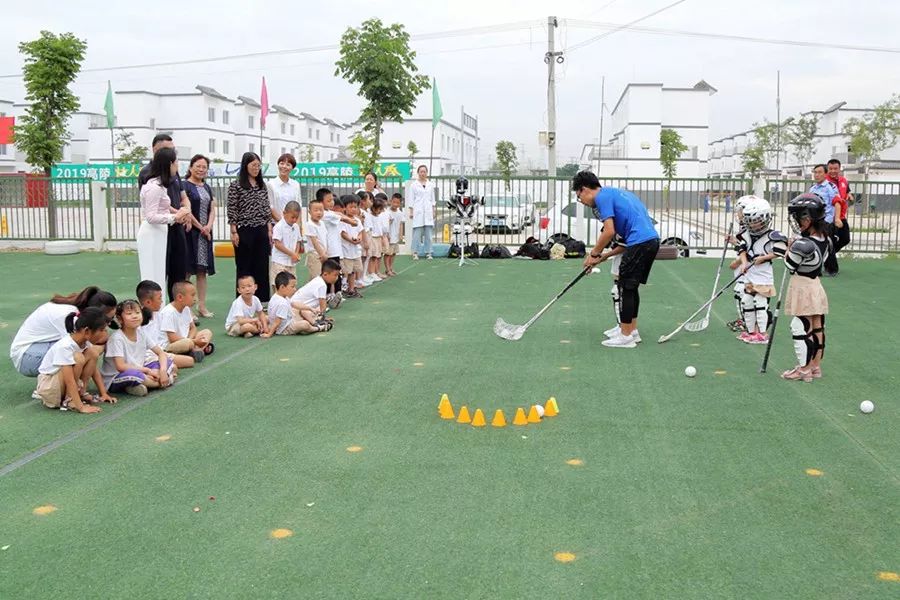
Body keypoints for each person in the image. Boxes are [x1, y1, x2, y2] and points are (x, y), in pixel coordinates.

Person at [572, 171, 660, 349]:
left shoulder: (602, 198)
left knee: (625, 288)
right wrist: (603, 256)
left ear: (584, 189)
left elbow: (609, 231)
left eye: (578, 196)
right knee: (630, 288)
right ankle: (631, 330)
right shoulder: (617, 193)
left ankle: (625, 336)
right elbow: (623, 240)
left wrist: (594, 254)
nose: (581, 201)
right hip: (651, 241)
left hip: (640, 242)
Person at [10, 286, 117, 377]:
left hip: (37, 348)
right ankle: (55, 390)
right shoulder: (69, 315)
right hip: (27, 358)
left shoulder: (76, 310)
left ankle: (69, 389)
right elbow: (77, 348)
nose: (108, 324)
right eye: (107, 320)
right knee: (77, 356)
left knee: (85, 351)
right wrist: (104, 344)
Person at [782, 193, 830, 382]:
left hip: (803, 286)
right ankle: (815, 367)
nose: (797, 221)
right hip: (815, 285)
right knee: (817, 327)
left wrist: (788, 247)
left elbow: (789, 265)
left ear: (808, 219)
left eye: (799, 217)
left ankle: (803, 370)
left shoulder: (803, 244)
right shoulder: (826, 238)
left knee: (801, 326)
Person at [139, 134, 193, 301]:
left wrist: (184, 212)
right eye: (169, 151)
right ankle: (155, 310)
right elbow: (151, 214)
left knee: (179, 270)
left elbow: (176, 200)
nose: (174, 158)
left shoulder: (170, 177)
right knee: (157, 273)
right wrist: (175, 217)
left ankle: (177, 308)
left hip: (173, 228)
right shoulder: (149, 178)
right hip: (158, 231)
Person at [34, 307, 115, 413]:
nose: (105, 334)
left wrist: (103, 393)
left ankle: (81, 393)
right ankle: (70, 400)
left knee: (92, 353)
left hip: (60, 385)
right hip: (50, 389)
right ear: (87, 331)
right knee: (78, 358)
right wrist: (80, 407)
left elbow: (94, 369)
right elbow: (69, 379)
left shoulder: (85, 342)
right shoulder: (65, 346)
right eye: (102, 330)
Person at [734, 198, 787, 344]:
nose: (753, 224)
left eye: (756, 220)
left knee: (760, 303)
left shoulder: (772, 236)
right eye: (750, 221)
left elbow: (781, 252)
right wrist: (744, 263)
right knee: (746, 301)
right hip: (750, 275)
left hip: (763, 276)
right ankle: (751, 332)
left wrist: (764, 258)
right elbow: (741, 249)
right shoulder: (745, 234)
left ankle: (762, 334)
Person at [100, 299, 174, 397]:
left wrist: (163, 371)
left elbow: (160, 353)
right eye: (129, 313)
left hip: (140, 370)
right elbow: (121, 367)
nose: (135, 316)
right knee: (134, 375)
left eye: (138, 312)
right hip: (117, 377)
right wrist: (147, 371)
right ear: (119, 319)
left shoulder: (141, 333)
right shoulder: (117, 338)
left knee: (167, 361)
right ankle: (161, 382)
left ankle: (144, 384)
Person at [227, 152, 273, 302]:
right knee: (244, 265)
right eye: (253, 165)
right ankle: (243, 299)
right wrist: (234, 231)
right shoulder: (236, 185)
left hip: (261, 229)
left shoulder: (262, 185)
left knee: (262, 265)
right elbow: (232, 209)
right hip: (244, 229)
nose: (256, 168)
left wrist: (269, 229)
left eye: (259, 166)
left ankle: (262, 300)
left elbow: (266, 209)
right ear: (245, 165)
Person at [182, 154, 216, 317]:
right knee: (188, 270)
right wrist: (200, 227)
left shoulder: (207, 187)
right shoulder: (185, 186)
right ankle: (187, 309)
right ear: (190, 167)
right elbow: (186, 209)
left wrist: (208, 226)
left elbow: (212, 209)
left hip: (205, 234)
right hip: (191, 233)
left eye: (204, 167)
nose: (201, 169)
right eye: (198, 166)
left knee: (202, 271)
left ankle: (201, 307)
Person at [137, 280, 196, 370]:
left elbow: (193, 328)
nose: (161, 301)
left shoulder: (157, 314)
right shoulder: (140, 321)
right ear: (148, 302)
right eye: (159, 298)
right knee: (185, 362)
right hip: (152, 355)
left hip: (161, 352)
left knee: (189, 360)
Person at [157, 281, 214, 362]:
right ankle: (195, 349)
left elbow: (193, 328)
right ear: (180, 297)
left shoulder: (186, 308)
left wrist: (190, 339)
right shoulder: (168, 312)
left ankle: (195, 349)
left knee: (207, 332)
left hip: (186, 340)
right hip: (169, 345)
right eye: (192, 295)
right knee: (188, 343)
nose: (195, 299)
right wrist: (193, 341)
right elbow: (172, 338)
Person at [725, 196, 758, 332]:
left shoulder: (751, 230)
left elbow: (750, 251)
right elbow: (742, 246)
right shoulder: (744, 228)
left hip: (749, 268)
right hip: (743, 267)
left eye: (740, 211)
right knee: (740, 292)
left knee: (743, 293)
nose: (738, 214)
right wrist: (734, 241)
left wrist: (737, 262)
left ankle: (747, 321)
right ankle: (744, 319)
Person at [263, 272, 331, 336]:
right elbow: (277, 322)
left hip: (288, 321)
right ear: (282, 287)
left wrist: (310, 308)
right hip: (285, 328)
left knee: (302, 310)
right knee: (305, 324)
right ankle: (318, 328)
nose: (295, 289)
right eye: (292, 287)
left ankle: (315, 321)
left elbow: (294, 304)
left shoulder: (279, 296)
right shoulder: (282, 303)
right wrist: (270, 334)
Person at [291, 259, 342, 329]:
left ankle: (316, 318)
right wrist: (323, 317)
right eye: (335, 275)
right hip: (296, 311)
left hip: (294, 308)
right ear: (325, 274)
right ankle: (317, 323)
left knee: (317, 308)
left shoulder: (318, 280)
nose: (337, 278)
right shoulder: (322, 285)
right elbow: (323, 307)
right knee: (319, 309)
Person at [809, 164, 839, 277]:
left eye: (819, 172)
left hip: (826, 220)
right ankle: (815, 268)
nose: (817, 175)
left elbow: (837, 203)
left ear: (825, 174)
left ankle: (832, 269)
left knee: (827, 245)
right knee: (813, 244)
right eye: (815, 172)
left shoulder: (831, 187)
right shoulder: (812, 188)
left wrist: (835, 219)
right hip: (814, 221)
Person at [270, 200, 303, 294]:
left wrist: (296, 253)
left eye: (296, 218)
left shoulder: (296, 227)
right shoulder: (279, 226)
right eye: (292, 217)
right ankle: (276, 305)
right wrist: (292, 253)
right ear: (284, 213)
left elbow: (298, 241)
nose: (294, 220)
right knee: (279, 285)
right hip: (279, 262)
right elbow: (277, 244)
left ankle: (288, 304)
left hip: (291, 262)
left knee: (291, 285)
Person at [826, 159, 852, 275]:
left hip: (841, 215)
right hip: (830, 217)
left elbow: (847, 191)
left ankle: (826, 255)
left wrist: (849, 195)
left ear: (839, 168)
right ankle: (831, 268)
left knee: (845, 239)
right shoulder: (824, 182)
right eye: (830, 169)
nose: (833, 171)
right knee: (830, 241)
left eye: (835, 168)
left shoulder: (843, 181)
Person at [408, 165, 436, 260]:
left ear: (427, 173)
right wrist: (411, 211)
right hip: (418, 210)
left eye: (424, 171)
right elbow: (411, 199)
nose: (423, 173)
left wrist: (433, 210)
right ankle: (415, 252)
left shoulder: (430, 185)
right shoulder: (414, 185)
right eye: (421, 171)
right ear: (418, 173)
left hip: (428, 211)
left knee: (428, 233)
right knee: (417, 233)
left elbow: (432, 199)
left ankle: (429, 252)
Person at [340, 195, 365, 298]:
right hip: (346, 251)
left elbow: (361, 231)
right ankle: (343, 287)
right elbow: (343, 233)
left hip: (355, 251)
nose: (354, 209)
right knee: (346, 271)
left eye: (355, 207)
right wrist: (351, 240)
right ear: (345, 208)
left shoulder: (358, 220)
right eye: (351, 207)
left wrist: (359, 238)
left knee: (353, 271)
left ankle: (351, 288)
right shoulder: (343, 220)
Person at [268, 153, 301, 222]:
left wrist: (298, 226)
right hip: (277, 225)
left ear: (292, 168)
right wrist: (283, 223)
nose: (284, 166)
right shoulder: (271, 184)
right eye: (282, 163)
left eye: (288, 165)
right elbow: (270, 207)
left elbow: (298, 206)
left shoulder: (295, 184)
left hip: (293, 224)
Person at [304, 194, 329, 282]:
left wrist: (325, 252)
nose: (319, 212)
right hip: (315, 255)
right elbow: (314, 242)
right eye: (316, 210)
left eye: (321, 210)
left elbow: (325, 239)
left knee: (318, 277)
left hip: (323, 254)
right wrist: (322, 254)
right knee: (317, 278)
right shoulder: (310, 224)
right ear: (309, 212)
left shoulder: (322, 223)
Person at [367, 195, 387, 282]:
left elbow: (380, 229)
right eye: (379, 209)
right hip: (373, 238)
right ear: (373, 208)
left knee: (377, 256)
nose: (380, 211)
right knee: (373, 256)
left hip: (378, 238)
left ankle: (375, 272)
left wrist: (382, 238)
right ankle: (371, 273)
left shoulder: (378, 217)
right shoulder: (370, 216)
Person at [385, 193, 404, 276]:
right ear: (390, 201)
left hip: (395, 237)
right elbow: (386, 225)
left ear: (400, 203)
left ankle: (391, 267)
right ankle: (387, 269)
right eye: (394, 202)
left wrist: (400, 235)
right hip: (389, 237)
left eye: (397, 203)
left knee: (393, 253)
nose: (395, 204)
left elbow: (400, 224)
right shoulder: (387, 212)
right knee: (388, 254)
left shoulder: (400, 213)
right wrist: (387, 234)